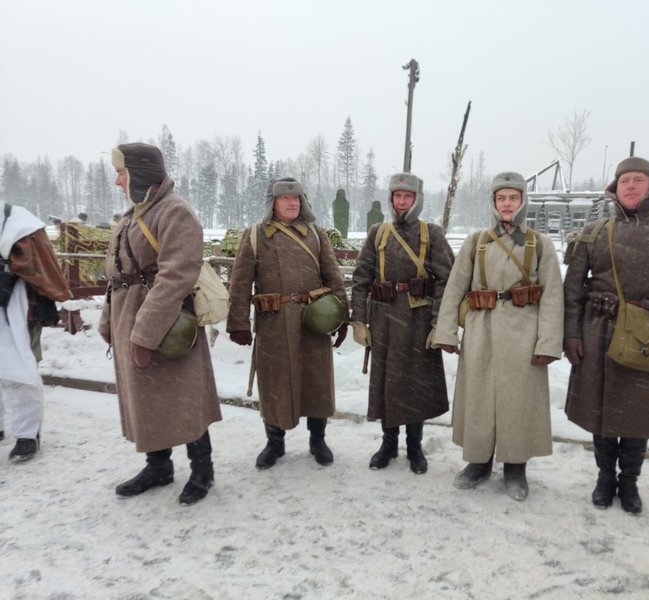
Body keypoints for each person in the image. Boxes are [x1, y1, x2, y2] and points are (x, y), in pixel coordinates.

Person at [562, 157, 649, 514]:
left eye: (639, 179)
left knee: (637, 414)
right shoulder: (594, 232)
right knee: (602, 412)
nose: (631, 186)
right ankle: (604, 477)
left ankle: (629, 481)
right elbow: (572, 290)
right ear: (615, 187)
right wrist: (571, 334)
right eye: (625, 180)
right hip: (599, 334)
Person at [99, 143, 222, 506]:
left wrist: (145, 333)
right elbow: (117, 274)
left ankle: (202, 470)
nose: (117, 181)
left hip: (169, 323)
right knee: (147, 399)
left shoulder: (173, 211)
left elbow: (177, 274)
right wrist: (110, 321)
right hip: (131, 315)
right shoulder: (132, 215)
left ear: (139, 173)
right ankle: (159, 467)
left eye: (122, 173)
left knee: (185, 398)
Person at [433, 172, 564, 500]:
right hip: (481, 329)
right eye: (501, 198)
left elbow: (552, 296)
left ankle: (516, 467)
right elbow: (454, 289)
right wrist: (446, 331)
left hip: (524, 332)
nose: (507, 204)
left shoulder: (540, 243)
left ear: (523, 202)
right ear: (493, 202)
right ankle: (478, 462)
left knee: (518, 401)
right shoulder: (476, 242)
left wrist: (548, 342)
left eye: (513, 198)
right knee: (479, 399)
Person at [227, 177, 348, 470]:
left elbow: (333, 277)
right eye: (285, 198)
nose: (292, 203)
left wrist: (342, 316)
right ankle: (275, 443)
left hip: (313, 320)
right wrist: (238, 322)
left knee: (317, 382)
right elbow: (240, 283)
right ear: (273, 203)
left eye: (296, 198)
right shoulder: (256, 236)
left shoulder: (316, 234)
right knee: (274, 383)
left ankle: (318, 440)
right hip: (273, 323)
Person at [350, 173, 453, 474]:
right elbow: (361, 278)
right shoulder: (378, 233)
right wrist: (359, 320)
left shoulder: (431, 233)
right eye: (397, 196)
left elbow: (447, 280)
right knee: (388, 383)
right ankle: (388, 444)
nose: (402, 201)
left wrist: (439, 323)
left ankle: (414, 447)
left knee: (415, 385)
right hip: (384, 320)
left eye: (408, 196)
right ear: (391, 198)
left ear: (417, 199)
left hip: (419, 321)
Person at [0, 202, 71, 461]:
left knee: (20, 369)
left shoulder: (18, 221)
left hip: (16, 305)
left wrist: (45, 298)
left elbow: (43, 265)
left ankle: (27, 434)